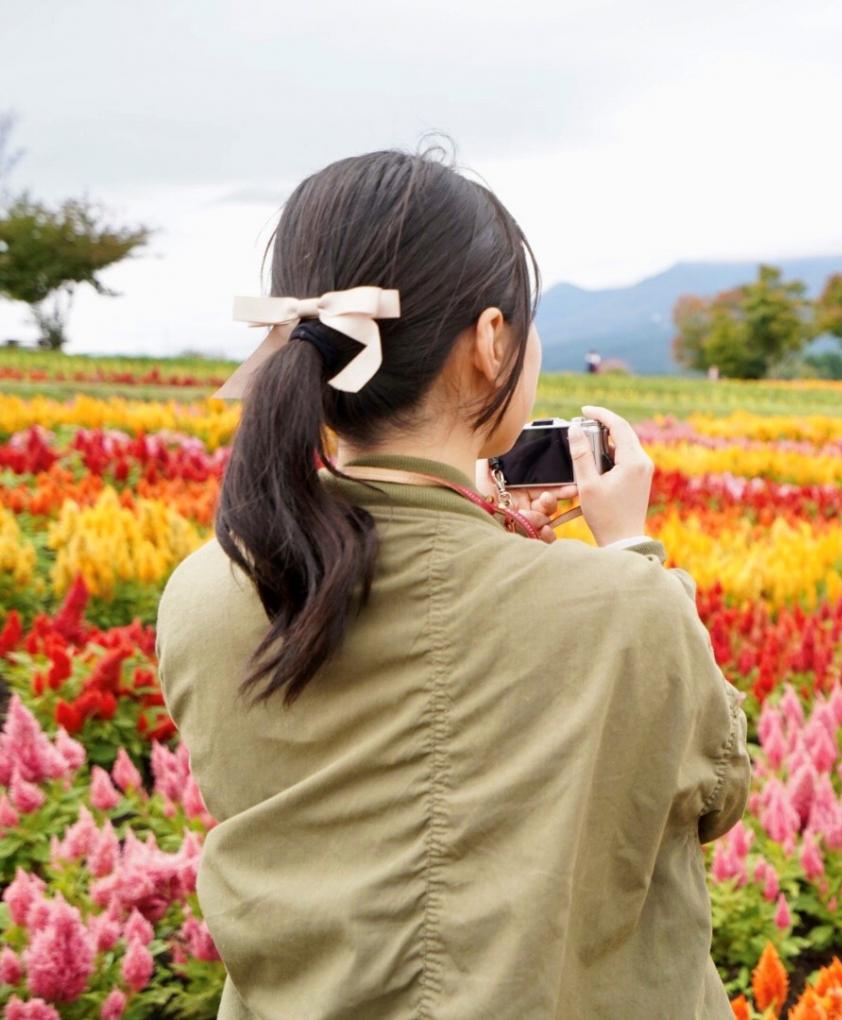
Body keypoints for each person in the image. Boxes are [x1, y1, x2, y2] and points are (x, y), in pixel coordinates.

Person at [154, 147, 751, 1019]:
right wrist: (631, 554)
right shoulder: (621, 607)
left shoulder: (208, 589)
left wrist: (492, 538)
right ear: (491, 341)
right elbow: (714, 794)